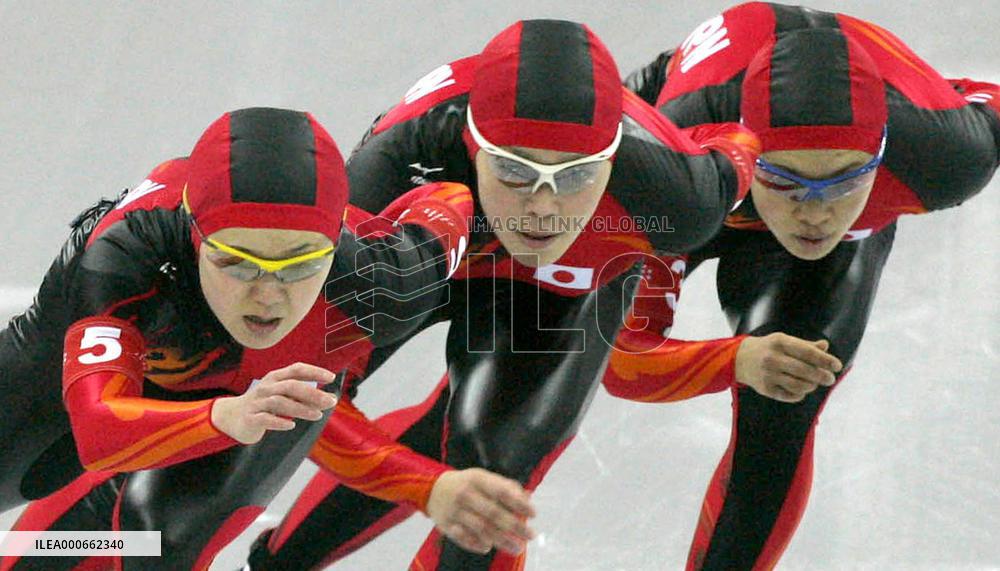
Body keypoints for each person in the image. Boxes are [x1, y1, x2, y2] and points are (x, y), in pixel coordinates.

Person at [245, 18, 760, 571]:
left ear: (612, 161)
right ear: (472, 144)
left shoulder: (678, 194)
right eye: (515, 171)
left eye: (574, 176)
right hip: (416, 249)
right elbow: (294, 396)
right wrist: (427, 487)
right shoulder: (383, 187)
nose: (542, 207)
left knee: (490, 478)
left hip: (554, 290)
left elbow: (739, 142)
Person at [601, 3, 999, 569]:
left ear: (882, 156)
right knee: (520, 348)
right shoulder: (674, 171)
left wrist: (932, 92)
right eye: (787, 181)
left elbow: (977, 97)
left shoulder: (947, 154)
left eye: (843, 181)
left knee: (785, 397)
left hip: (800, 166)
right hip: (702, 165)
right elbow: (619, 359)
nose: (814, 214)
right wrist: (734, 358)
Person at [0, 106, 474, 571]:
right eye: (237, 262)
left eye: (301, 264)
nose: (268, 297)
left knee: (162, 543)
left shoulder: (382, 281)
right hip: (106, 370)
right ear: (194, 236)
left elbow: (453, 197)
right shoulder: (127, 253)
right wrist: (226, 415)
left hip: (245, 392)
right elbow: (98, 430)